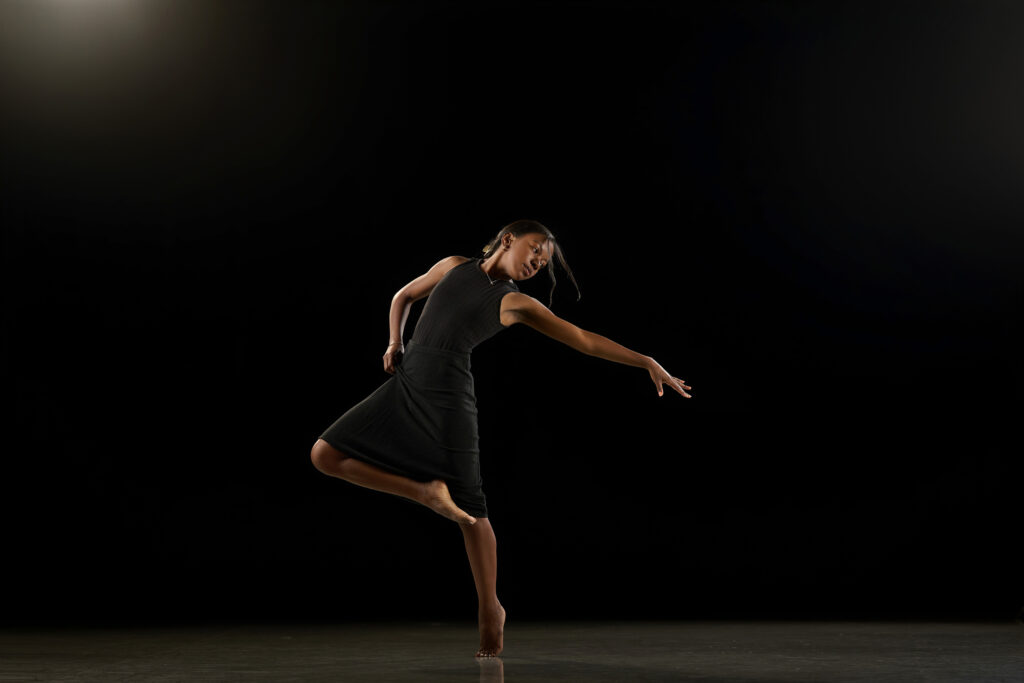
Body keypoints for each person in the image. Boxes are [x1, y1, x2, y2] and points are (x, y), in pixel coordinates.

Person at [310, 219, 691, 658]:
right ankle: (425, 492)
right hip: (407, 383)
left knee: (472, 509)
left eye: (543, 263)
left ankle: (490, 608)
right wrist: (394, 343)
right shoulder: (453, 266)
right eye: (535, 251)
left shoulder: (515, 303)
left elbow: (583, 340)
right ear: (508, 239)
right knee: (325, 455)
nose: (537, 263)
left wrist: (645, 361)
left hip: (450, 397)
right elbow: (403, 297)